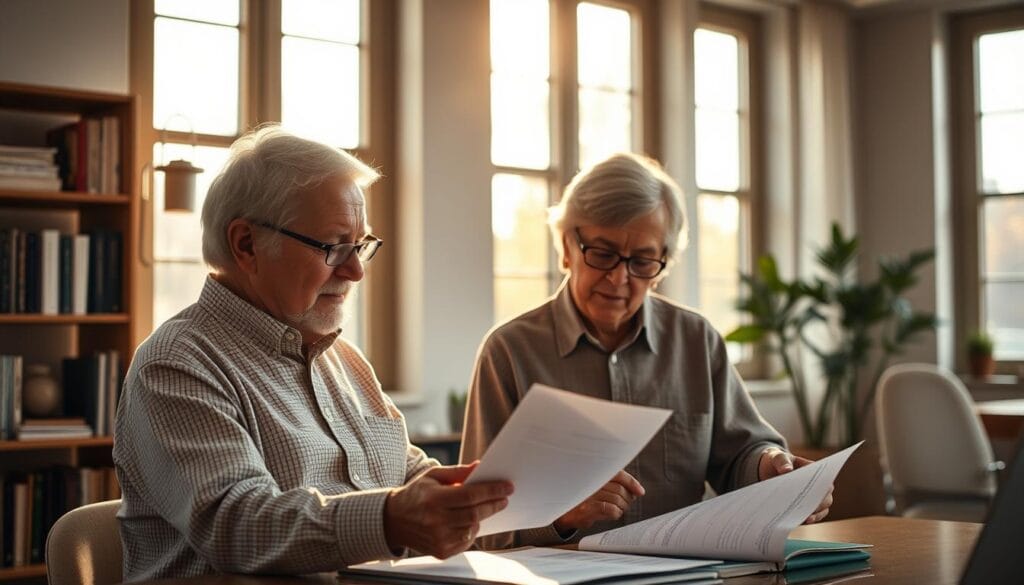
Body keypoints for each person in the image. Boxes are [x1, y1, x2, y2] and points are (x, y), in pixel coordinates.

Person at [113, 127, 513, 581]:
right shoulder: (176, 364)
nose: (356, 270)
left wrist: (539, 504)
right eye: (333, 246)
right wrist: (389, 519)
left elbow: (415, 480)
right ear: (246, 244)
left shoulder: (346, 361)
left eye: (360, 245)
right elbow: (238, 524)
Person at [461, 152, 832, 550]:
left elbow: (742, 454)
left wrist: (771, 468)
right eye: (602, 254)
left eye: (641, 261)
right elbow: (473, 524)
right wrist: (563, 517)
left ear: (663, 264)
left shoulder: (697, 341)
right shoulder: (509, 353)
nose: (619, 277)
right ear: (567, 247)